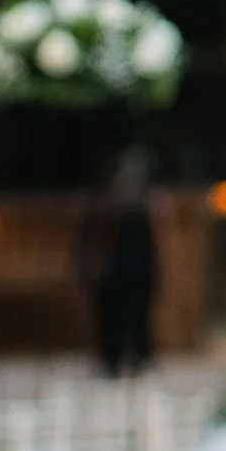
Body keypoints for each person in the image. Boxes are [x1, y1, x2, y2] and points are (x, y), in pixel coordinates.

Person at [79, 146, 159, 379]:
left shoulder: (142, 205)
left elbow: (150, 243)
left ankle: (139, 358)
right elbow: (91, 240)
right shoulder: (103, 205)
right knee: (111, 319)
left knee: (138, 318)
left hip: (136, 270)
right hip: (114, 272)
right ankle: (112, 360)